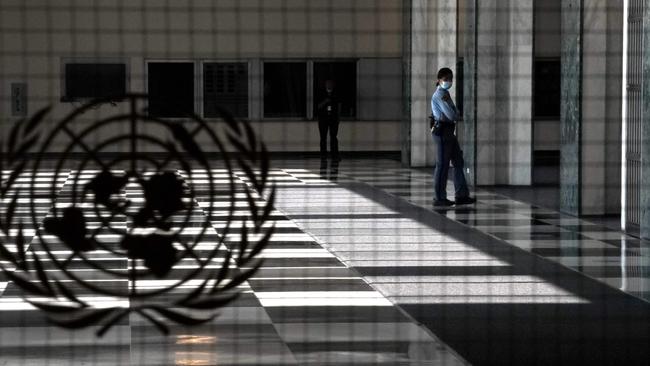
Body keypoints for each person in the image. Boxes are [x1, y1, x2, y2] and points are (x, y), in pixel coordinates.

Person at [430, 67, 476, 207]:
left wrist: (454, 114)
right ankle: (439, 197)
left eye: (451, 79)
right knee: (442, 165)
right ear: (439, 80)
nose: (449, 81)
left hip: (449, 132)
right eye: (446, 79)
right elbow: (452, 115)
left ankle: (461, 195)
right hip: (443, 132)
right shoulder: (439, 95)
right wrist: (455, 114)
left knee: (458, 162)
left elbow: (454, 113)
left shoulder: (446, 93)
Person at [317, 79, 341, 162]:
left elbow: (338, 106)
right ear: (325, 85)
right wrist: (325, 101)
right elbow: (318, 106)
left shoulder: (336, 94)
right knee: (323, 137)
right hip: (323, 119)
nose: (329, 85)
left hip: (333, 119)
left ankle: (335, 155)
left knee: (333, 137)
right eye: (328, 84)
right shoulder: (321, 94)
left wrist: (338, 118)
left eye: (331, 84)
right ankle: (323, 155)